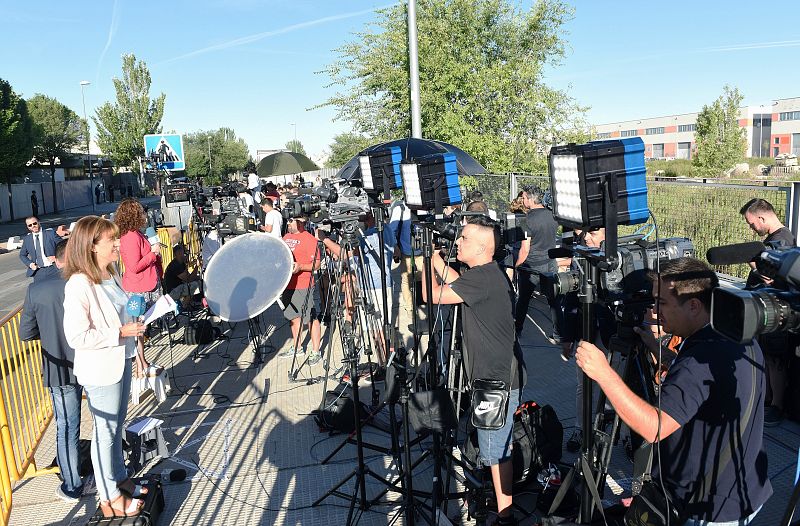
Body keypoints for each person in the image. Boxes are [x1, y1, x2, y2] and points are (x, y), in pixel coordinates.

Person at [576, 257, 772, 524]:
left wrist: (604, 373)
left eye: (661, 303)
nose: (654, 311)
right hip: (741, 488)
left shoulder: (700, 358)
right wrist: (661, 352)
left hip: (707, 507)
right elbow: (710, 386)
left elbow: (654, 428)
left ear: (693, 305)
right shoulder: (734, 330)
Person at [423, 216, 525, 525]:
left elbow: (431, 295)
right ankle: (499, 504)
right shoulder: (485, 273)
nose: (459, 242)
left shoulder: (482, 278)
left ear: (481, 247)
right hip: (495, 377)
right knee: (494, 447)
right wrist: (439, 262)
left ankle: (505, 515)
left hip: (496, 381)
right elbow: (455, 281)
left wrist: (426, 260)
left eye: (464, 238)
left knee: (496, 451)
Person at [62, 216, 148, 518]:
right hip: (101, 368)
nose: (116, 244)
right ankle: (109, 496)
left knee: (114, 428)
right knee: (105, 432)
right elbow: (76, 336)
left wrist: (134, 328)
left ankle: (120, 478)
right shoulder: (78, 284)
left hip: (120, 359)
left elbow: (119, 316)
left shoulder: (109, 274)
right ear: (91, 246)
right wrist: (120, 333)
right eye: (110, 240)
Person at [19, 240, 94, 503]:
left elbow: (25, 333)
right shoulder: (86, 284)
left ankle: (72, 484)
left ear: (55, 259)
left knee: (66, 426)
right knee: (101, 420)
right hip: (89, 360)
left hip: (58, 367)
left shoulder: (35, 290)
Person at [740, 197, 796, 426]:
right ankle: (769, 399)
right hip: (768, 307)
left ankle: (776, 406)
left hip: (776, 310)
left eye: (752, 224)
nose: (752, 229)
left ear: (762, 217)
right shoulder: (778, 238)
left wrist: (754, 264)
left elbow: (772, 278)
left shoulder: (782, 240)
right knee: (768, 357)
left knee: (775, 359)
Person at [319, 211, 395, 364]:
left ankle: (386, 367)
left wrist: (324, 240)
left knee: (379, 329)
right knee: (380, 328)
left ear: (370, 213)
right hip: (378, 284)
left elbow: (345, 254)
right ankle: (385, 364)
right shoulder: (385, 228)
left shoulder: (372, 234)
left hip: (375, 286)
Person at [115, 198, 163, 378]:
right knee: (137, 327)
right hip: (139, 288)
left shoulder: (136, 234)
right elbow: (134, 266)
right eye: (141, 213)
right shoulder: (131, 238)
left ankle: (142, 362)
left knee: (141, 327)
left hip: (145, 284)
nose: (144, 216)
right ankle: (139, 364)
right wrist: (153, 253)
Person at [514, 185, 559, 339]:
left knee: (523, 300)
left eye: (525, 197)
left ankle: (517, 329)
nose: (523, 200)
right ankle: (559, 333)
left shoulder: (527, 220)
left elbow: (524, 249)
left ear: (531, 199)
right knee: (554, 300)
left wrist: (517, 265)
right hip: (550, 262)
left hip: (532, 266)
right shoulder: (553, 215)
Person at [279, 216, 322, 365]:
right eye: (288, 220)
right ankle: (297, 348)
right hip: (287, 286)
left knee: (310, 319)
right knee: (293, 318)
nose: (288, 223)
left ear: (301, 221)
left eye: (292, 220)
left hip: (303, 285)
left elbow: (317, 264)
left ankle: (316, 351)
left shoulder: (310, 239)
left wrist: (301, 267)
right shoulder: (286, 237)